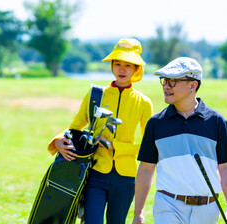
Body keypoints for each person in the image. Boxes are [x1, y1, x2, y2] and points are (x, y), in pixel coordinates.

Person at [47, 38, 153, 224]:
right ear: (111, 65)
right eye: (117, 63)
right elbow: (75, 128)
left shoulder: (143, 103)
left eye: (128, 65)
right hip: (94, 172)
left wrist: (117, 147)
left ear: (136, 69)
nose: (122, 69)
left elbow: (148, 146)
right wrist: (57, 141)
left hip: (125, 178)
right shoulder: (96, 95)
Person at [132, 57, 227, 224]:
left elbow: (226, 167)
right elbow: (145, 169)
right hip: (168, 205)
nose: (166, 86)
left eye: (173, 81)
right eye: (164, 80)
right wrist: (138, 213)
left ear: (192, 85)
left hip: (207, 209)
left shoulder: (216, 122)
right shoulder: (156, 124)